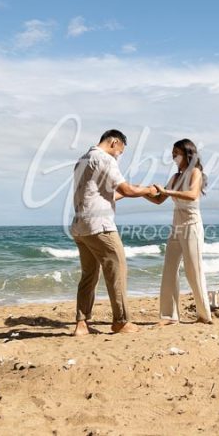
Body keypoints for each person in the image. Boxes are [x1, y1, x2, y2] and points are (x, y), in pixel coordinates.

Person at [70, 129, 159, 335]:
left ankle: (81, 323)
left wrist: (134, 191)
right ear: (114, 142)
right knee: (117, 270)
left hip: (80, 226)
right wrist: (148, 190)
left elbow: (101, 194)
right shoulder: (105, 159)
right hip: (100, 225)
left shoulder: (82, 160)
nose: (119, 156)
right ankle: (121, 321)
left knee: (89, 275)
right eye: (120, 151)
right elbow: (126, 189)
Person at [145, 139, 212, 325]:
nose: (173, 156)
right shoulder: (175, 177)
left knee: (193, 271)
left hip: (192, 226)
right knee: (169, 269)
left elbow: (192, 195)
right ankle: (170, 316)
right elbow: (159, 199)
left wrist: (166, 191)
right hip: (176, 227)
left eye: (177, 153)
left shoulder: (195, 172)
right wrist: (141, 192)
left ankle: (204, 315)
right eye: (173, 153)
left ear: (187, 154)